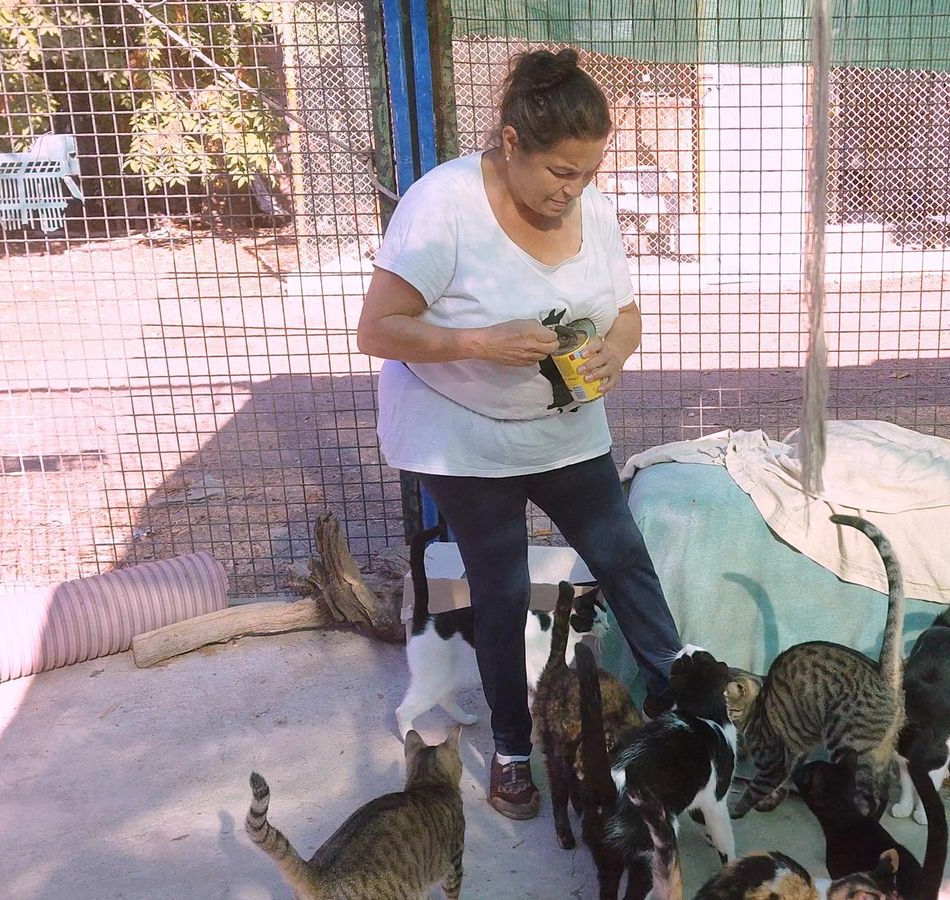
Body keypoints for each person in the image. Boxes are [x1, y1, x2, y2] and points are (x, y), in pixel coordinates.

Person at [355, 48, 685, 821]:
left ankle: (687, 711)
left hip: (563, 424)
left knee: (624, 559)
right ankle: (510, 750)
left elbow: (625, 312)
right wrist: (479, 343)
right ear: (510, 145)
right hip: (463, 434)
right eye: (561, 173)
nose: (575, 190)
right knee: (499, 589)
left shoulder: (589, 209)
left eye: (588, 173)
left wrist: (617, 349)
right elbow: (377, 329)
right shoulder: (443, 205)